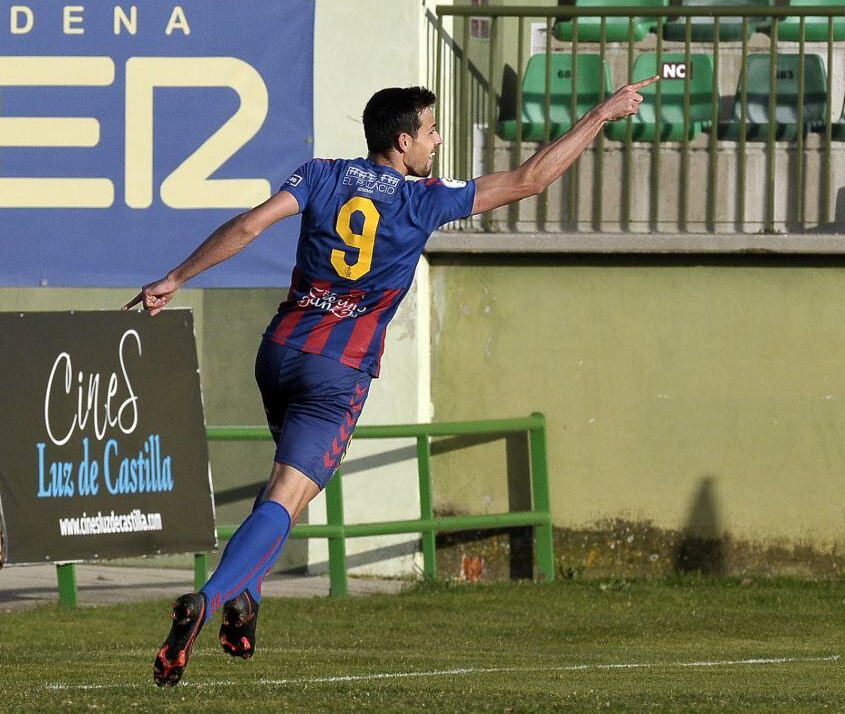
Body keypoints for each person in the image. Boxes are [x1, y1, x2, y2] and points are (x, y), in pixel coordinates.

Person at [125, 75, 658, 686]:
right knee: (287, 497)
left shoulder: (321, 174)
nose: (437, 141)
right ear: (403, 141)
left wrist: (176, 276)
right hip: (338, 371)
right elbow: (531, 179)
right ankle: (211, 601)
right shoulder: (423, 198)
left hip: (278, 351)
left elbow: (248, 226)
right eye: (430, 131)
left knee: (283, 482)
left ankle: (246, 599)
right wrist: (602, 112)